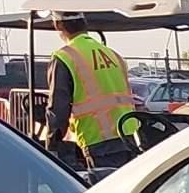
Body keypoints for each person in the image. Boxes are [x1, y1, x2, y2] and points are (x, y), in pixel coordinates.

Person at [43, 16, 141, 174]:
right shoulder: (112, 54)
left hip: (99, 139)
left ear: (58, 24)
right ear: (85, 23)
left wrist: (51, 145)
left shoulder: (65, 57)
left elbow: (58, 108)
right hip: (130, 134)